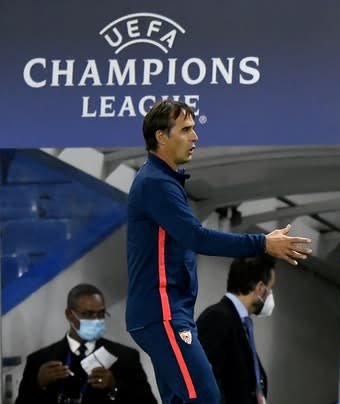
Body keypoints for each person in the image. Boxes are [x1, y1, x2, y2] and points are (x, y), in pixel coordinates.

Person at [126, 99, 312, 404]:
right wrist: (262, 243)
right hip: (163, 313)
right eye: (186, 129)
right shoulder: (155, 183)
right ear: (161, 136)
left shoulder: (163, 182)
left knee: (181, 399)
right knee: (206, 399)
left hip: (168, 312)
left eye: (194, 129)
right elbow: (197, 238)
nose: (195, 137)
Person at [15, 283, 156, 404]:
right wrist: (39, 384)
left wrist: (115, 387)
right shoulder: (40, 360)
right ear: (69, 315)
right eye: (88, 314)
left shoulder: (126, 357)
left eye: (101, 314)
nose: (96, 320)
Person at [196, 254, 276, 404]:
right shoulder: (217, 317)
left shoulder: (240, 324)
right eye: (270, 289)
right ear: (259, 289)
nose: (270, 297)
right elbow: (203, 381)